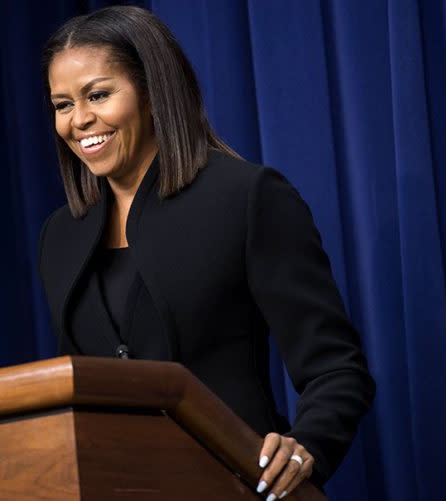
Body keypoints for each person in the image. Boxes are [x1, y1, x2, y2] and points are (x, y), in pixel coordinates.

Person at [37, 6, 375, 499]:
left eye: (99, 95)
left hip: (235, 484)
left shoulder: (246, 197)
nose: (80, 120)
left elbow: (336, 369)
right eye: (62, 104)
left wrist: (307, 446)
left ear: (152, 92)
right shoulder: (59, 234)